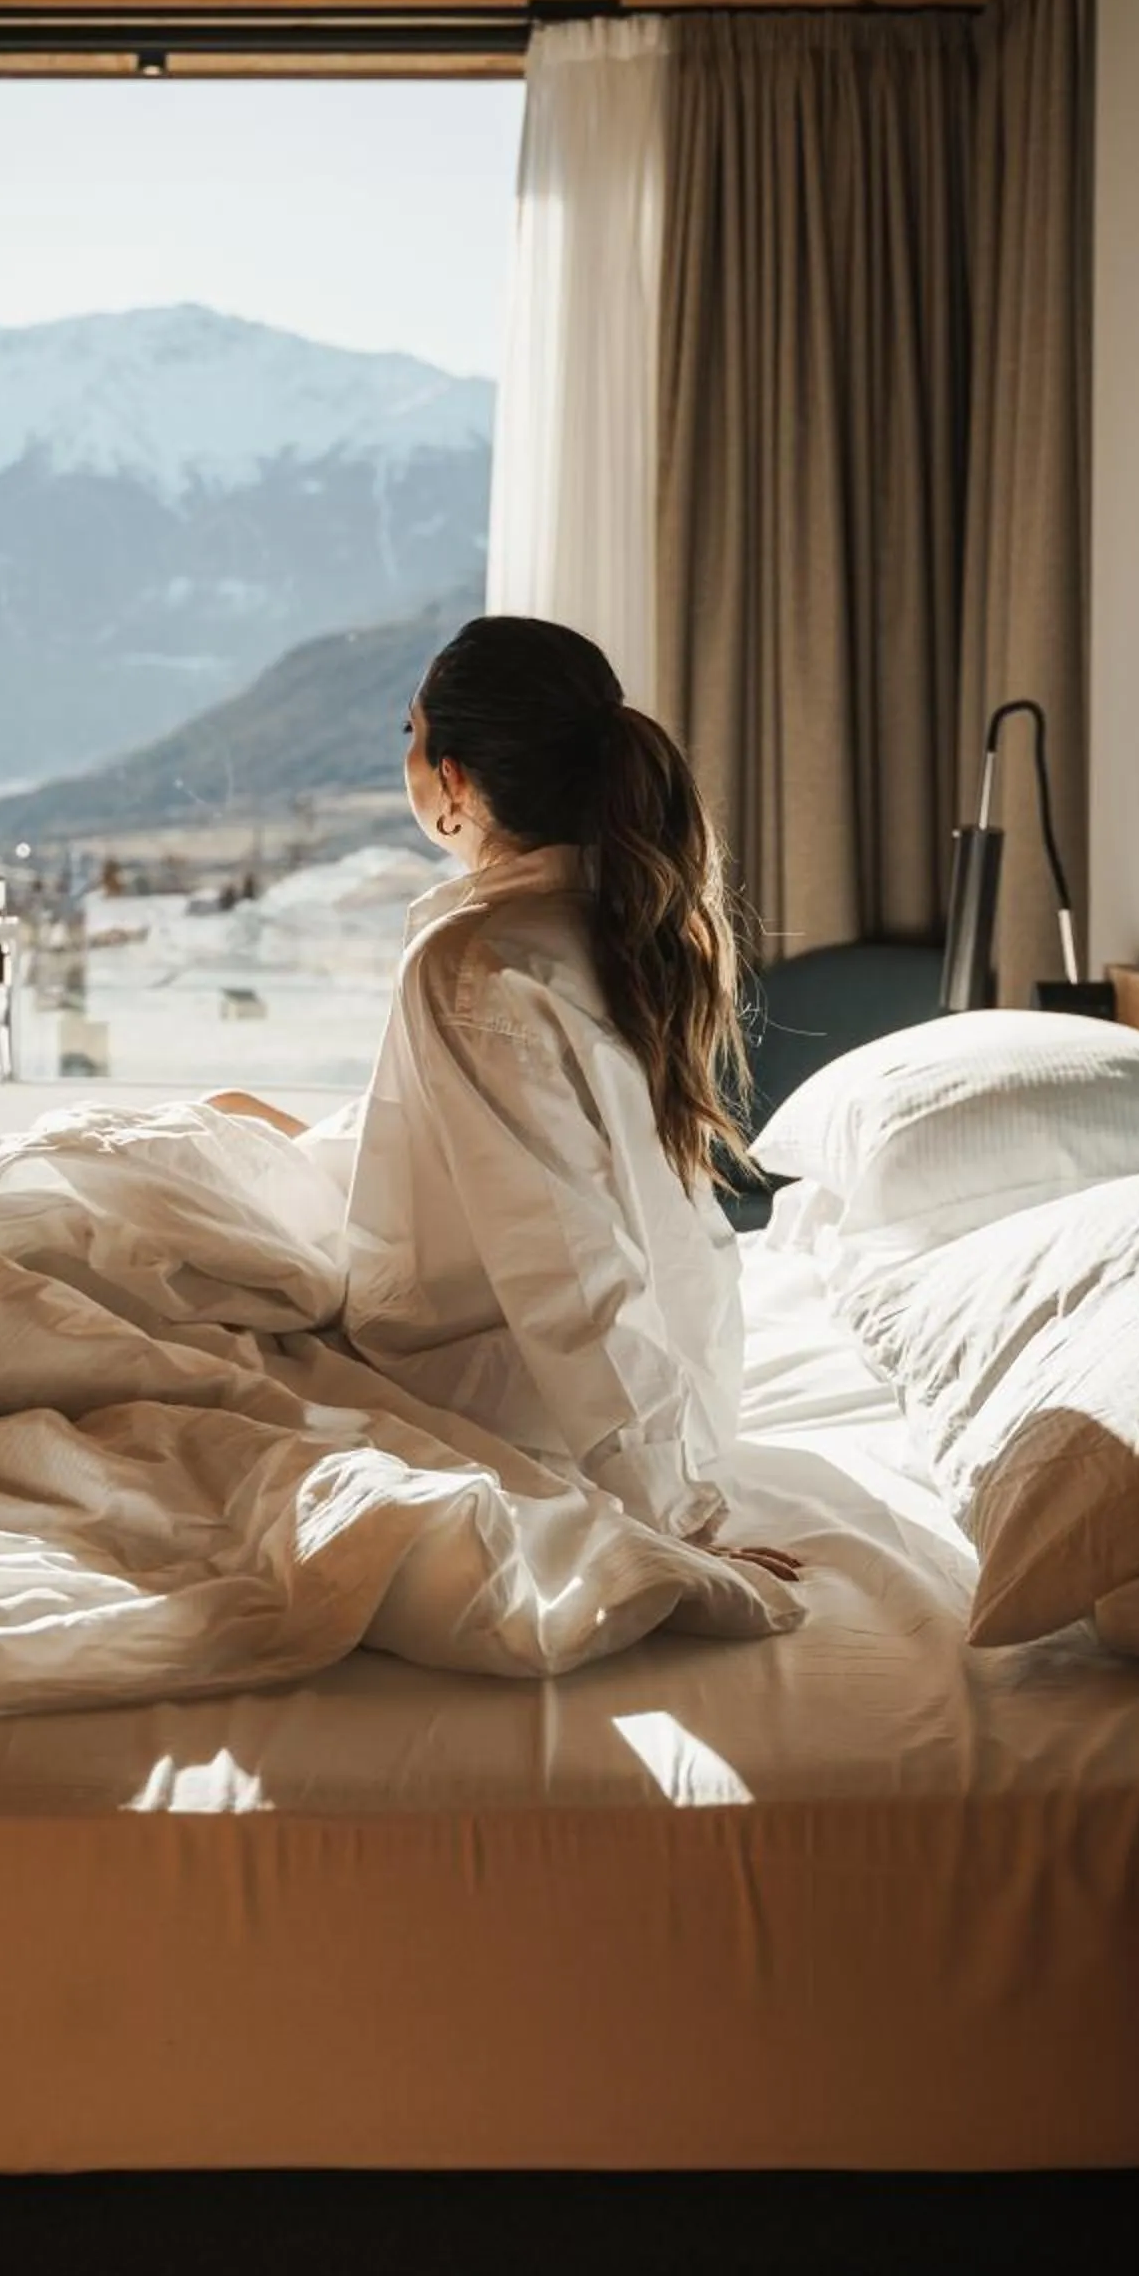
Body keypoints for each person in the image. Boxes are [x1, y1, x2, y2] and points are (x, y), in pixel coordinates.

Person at [214, 615, 798, 1576]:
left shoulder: (476, 964)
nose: (406, 754)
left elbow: (567, 1262)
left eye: (411, 733)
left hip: (512, 1401)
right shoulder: (607, 924)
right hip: (666, 1378)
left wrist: (681, 1520)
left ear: (452, 779)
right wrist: (300, 1143)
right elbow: (517, 1155)